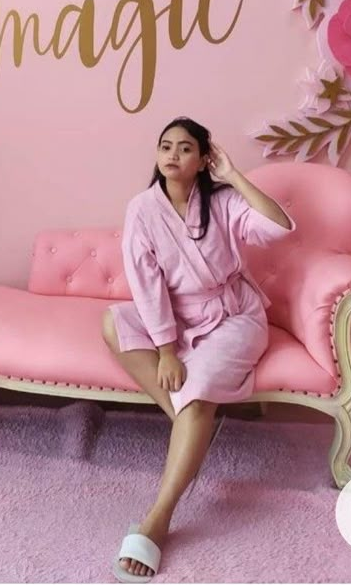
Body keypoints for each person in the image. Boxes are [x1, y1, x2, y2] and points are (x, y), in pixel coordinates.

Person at [102, 116, 297, 582]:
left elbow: (280, 227)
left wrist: (233, 176)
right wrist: (167, 349)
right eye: (165, 146)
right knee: (114, 322)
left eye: (185, 148)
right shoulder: (142, 210)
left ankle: (158, 518)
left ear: (203, 158)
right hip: (177, 315)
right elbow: (146, 286)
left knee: (201, 386)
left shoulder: (224, 202)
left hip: (233, 316)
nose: (172, 155)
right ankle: (192, 425)